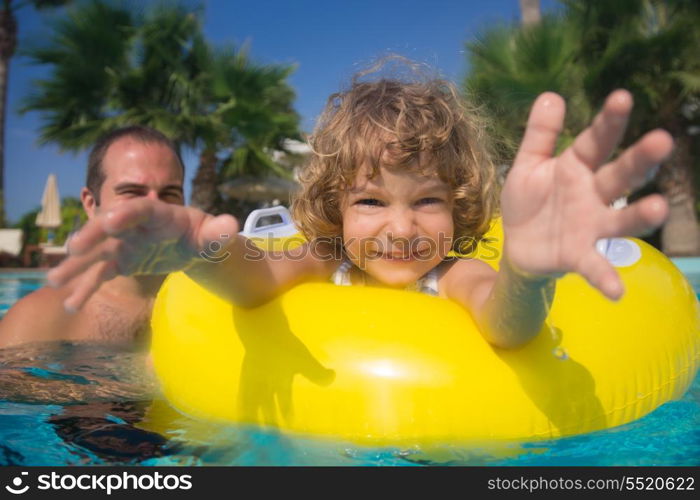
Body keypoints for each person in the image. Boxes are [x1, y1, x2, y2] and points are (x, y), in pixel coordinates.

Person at [45, 70, 672, 350]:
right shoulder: (326, 260)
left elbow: (505, 323)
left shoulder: (450, 272)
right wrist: (196, 251)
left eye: (427, 200)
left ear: (457, 208)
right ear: (335, 210)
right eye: (371, 201)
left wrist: (529, 277)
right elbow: (258, 273)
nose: (402, 229)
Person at [0, 126, 186, 349]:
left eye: (170, 193)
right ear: (90, 203)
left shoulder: (215, 290)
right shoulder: (40, 320)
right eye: (132, 192)